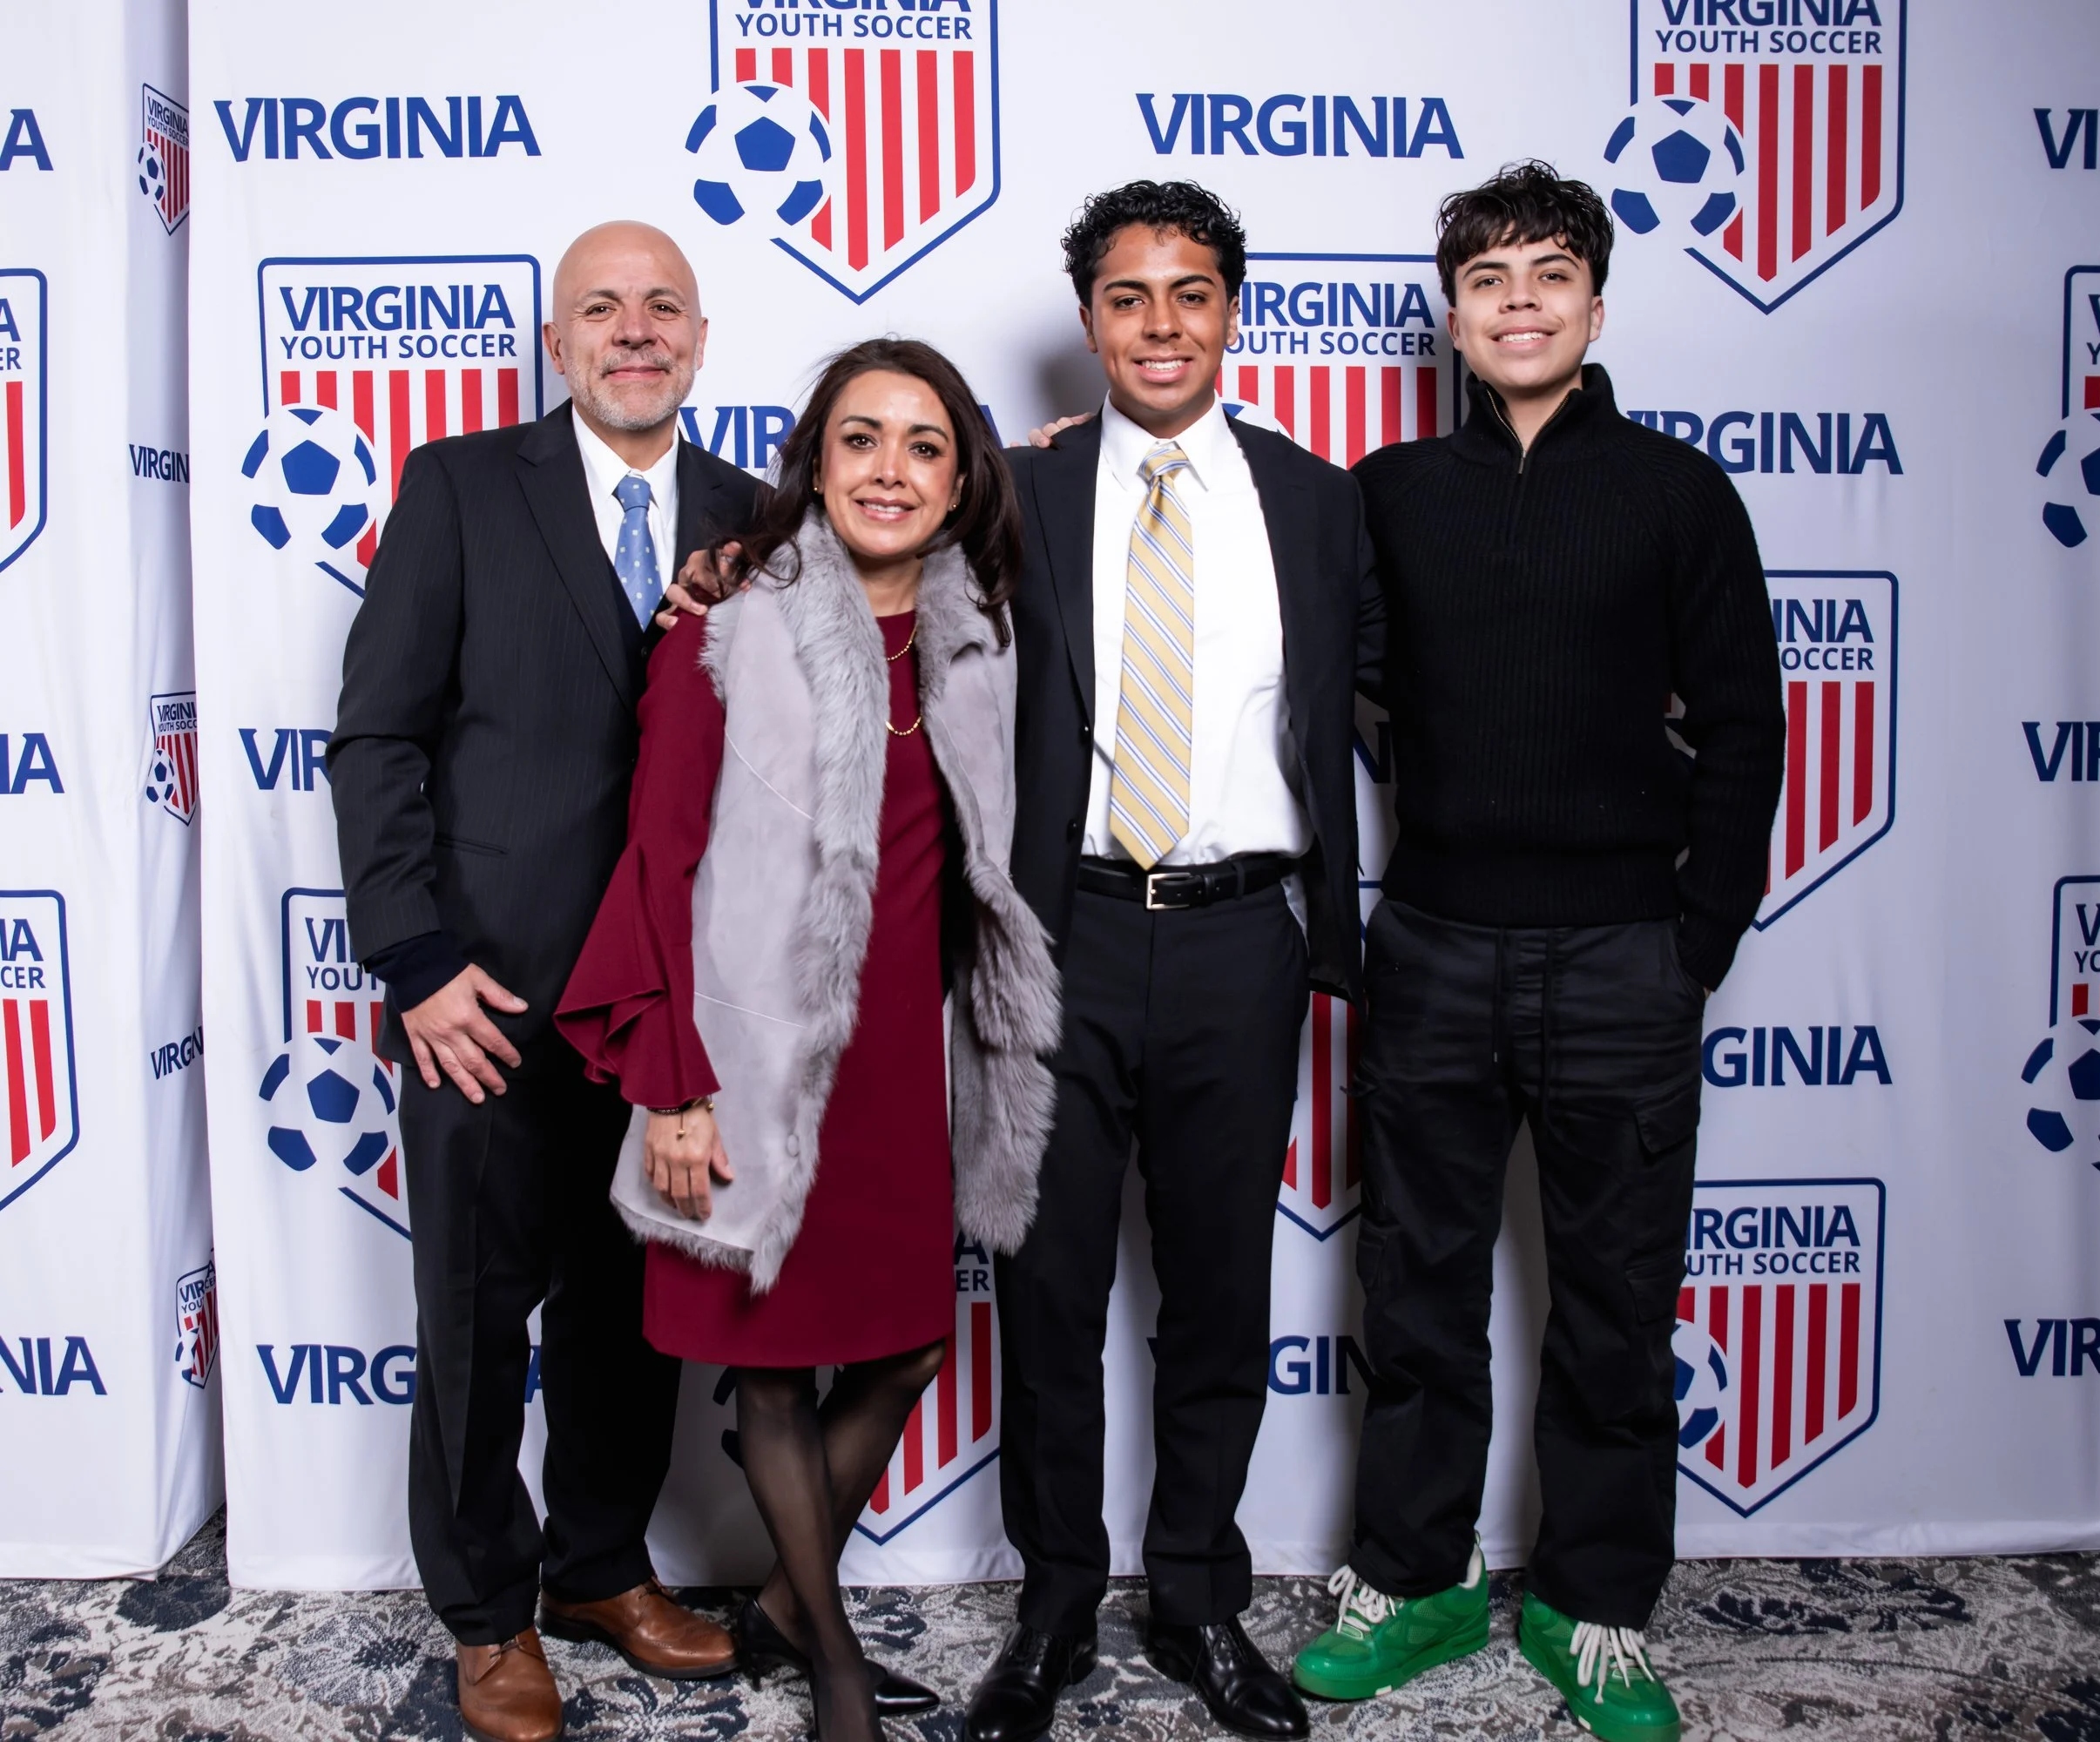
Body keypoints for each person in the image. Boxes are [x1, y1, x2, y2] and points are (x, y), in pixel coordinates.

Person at [1289, 163, 1785, 1742]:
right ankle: (1417, 1579)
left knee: (1617, 1306)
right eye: (1488, 278)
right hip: (1434, 944)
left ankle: (1597, 1606)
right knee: (1417, 1287)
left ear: (1594, 304)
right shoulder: (1388, 492)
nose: (1518, 302)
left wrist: (1697, 939)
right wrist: (1064, 465)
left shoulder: (1679, 492)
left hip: (1627, 955)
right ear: (1451, 315)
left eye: (1548, 273)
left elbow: (1748, 727)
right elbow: (1278, 618)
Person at [558, 337, 1063, 1742]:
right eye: (860, 438)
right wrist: (673, 1088)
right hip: (753, 1060)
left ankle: (783, 1603)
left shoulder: (979, 638)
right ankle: (832, 1660)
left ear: (961, 480)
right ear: (816, 462)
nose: (890, 470)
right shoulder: (728, 627)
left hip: (905, 1064)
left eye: (924, 445)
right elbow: (656, 866)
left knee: (906, 1349)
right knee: (772, 1368)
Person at [960, 181, 1384, 1742]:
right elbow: (858, 568)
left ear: (1230, 311)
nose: (1159, 324)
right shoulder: (1014, 490)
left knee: (1218, 1294)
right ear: (1090, 320)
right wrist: (722, 569)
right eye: (1128, 296)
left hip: (1237, 944)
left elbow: (1419, 678)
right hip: (1057, 935)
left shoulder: (1320, 502)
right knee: (1048, 1294)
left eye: (1189, 292)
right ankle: (1057, 1603)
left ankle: (1200, 1598)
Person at [327, 221, 758, 1742]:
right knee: (474, 1321)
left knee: (626, 1317)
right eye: (602, 309)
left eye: (662, 307)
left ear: (699, 339)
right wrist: (416, 960)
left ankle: (596, 1568)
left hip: (666, 1015)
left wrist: (1024, 470)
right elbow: (377, 737)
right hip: (487, 1009)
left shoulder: (755, 516)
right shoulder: (459, 487)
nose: (635, 331)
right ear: (560, 344)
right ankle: (486, 1613)